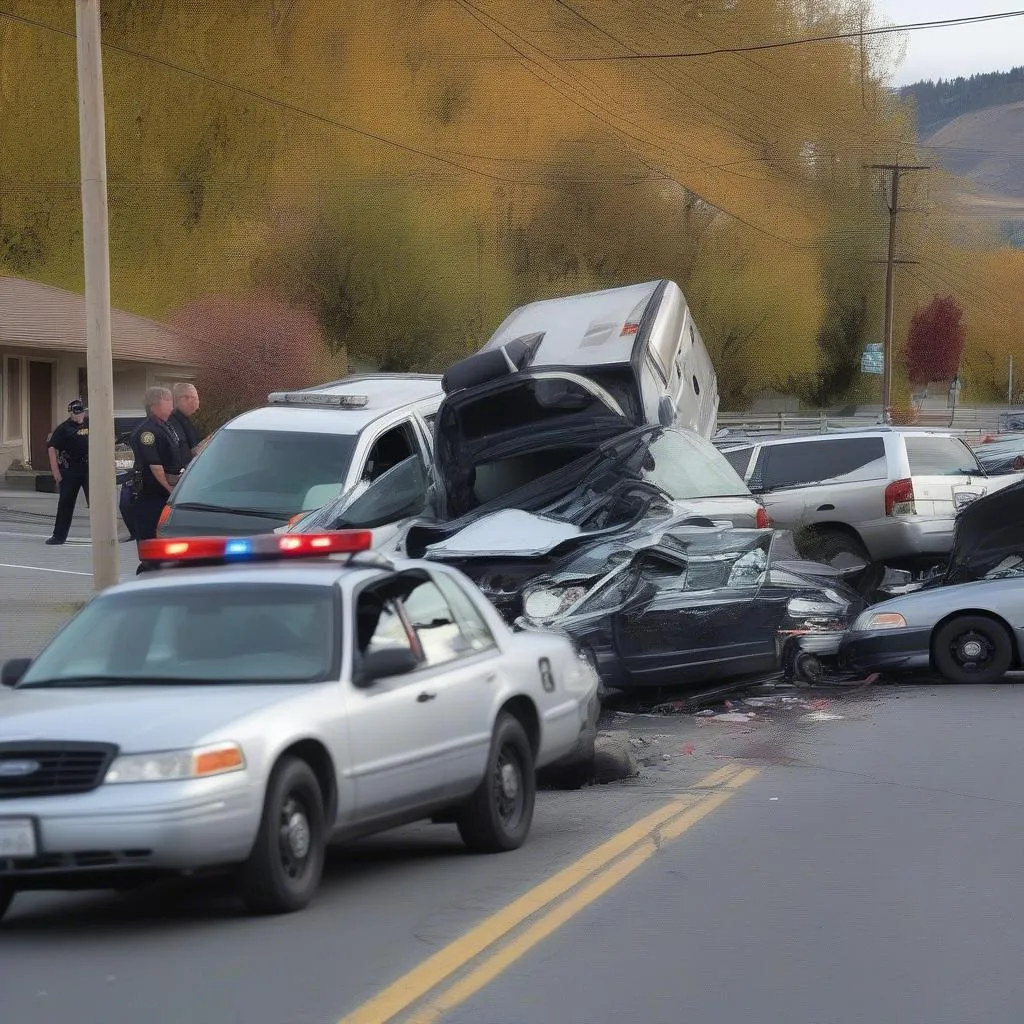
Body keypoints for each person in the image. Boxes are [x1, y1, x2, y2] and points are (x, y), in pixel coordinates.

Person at [129, 386, 185, 572]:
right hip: (150, 495)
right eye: (168, 401)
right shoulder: (148, 432)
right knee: (150, 547)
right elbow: (155, 467)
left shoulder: (167, 427)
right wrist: (171, 491)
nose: (172, 405)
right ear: (154, 405)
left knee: (163, 545)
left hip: (163, 495)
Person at [45, 398, 90, 546]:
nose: (79, 415)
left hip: (90, 469)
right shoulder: (64, 428)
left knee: (98, 504)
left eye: (81, 411)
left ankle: (104, 535)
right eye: (76, 412)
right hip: (70, 469)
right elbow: (52, 448)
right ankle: (58, 536)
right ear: (70, 413)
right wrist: (56, 472)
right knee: (65, 504)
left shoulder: (91, 423)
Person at [170, 382, 202, 466]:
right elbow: (187, 453)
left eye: (195, 398)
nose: (196, 405)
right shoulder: (173, 422)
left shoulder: (185, 419)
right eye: (194, 399)